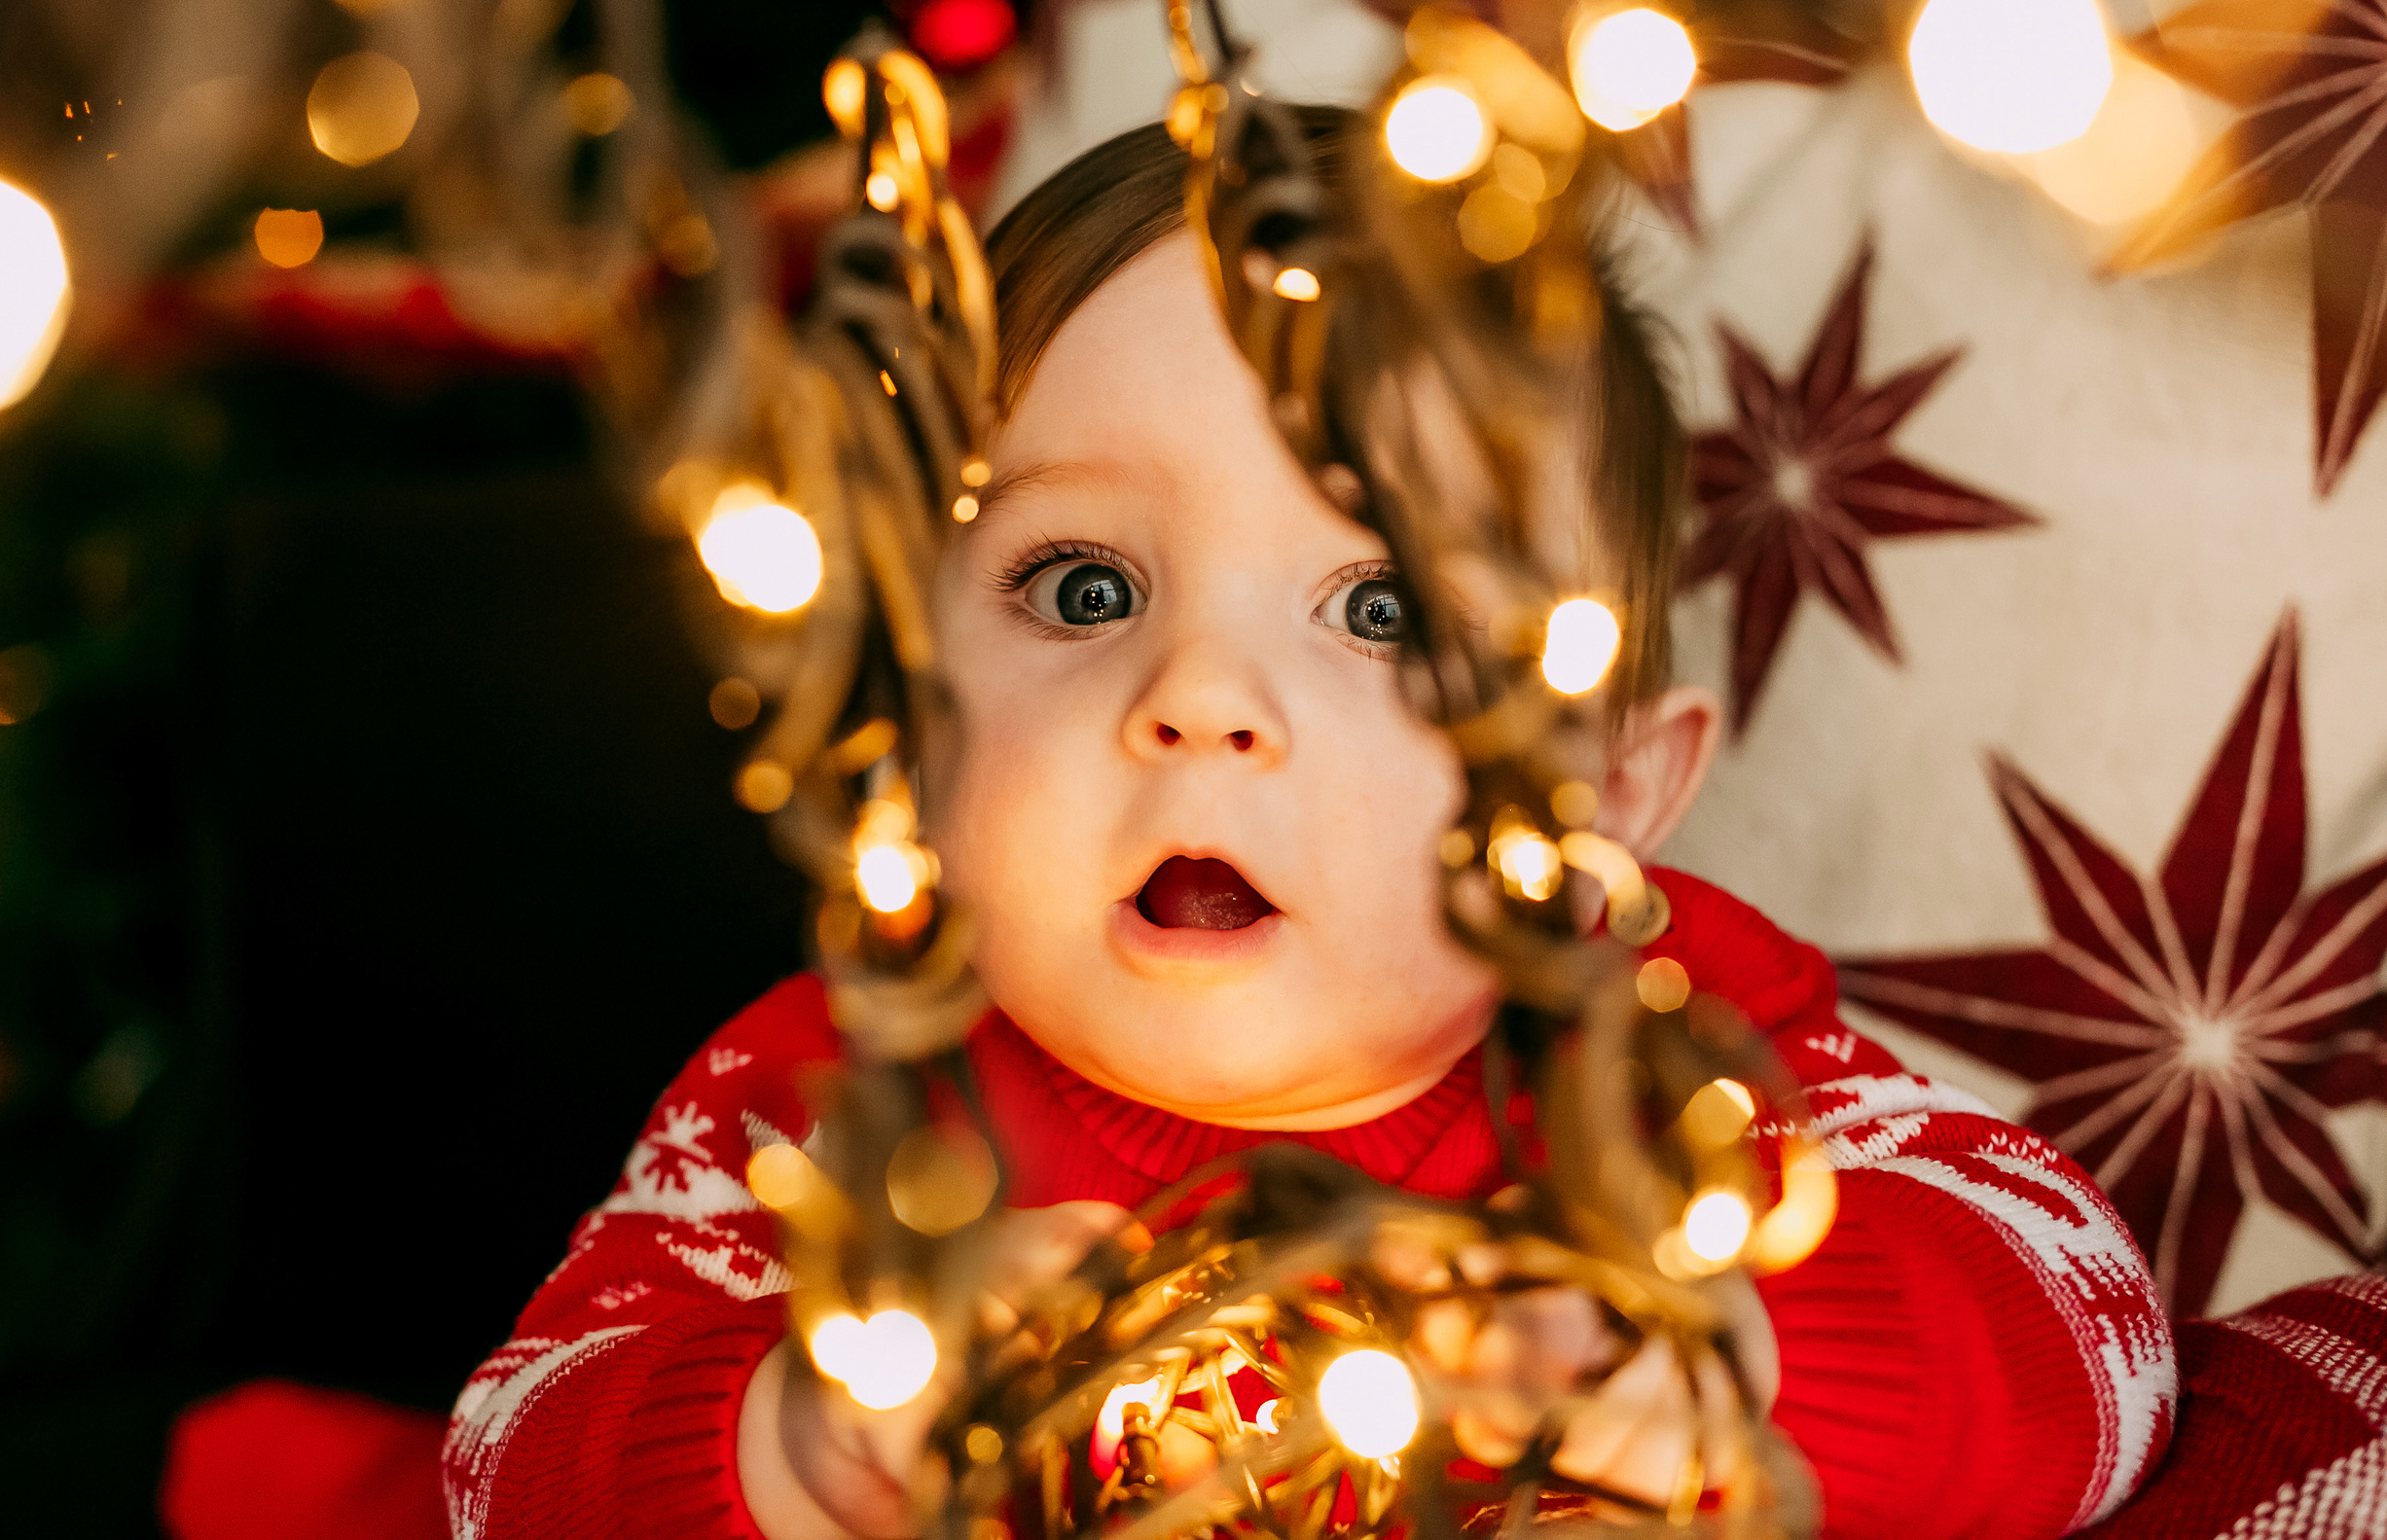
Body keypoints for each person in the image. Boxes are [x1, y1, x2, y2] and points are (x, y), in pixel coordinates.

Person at [441, 119, 2177, 1540]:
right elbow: (506, 1457)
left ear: (1615, 802)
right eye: (1085, 582)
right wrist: (796, 1438)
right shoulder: (839, 1100)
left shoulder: (1674, 1073)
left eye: (1385, 612)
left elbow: (2092, 1329)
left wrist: (1702, 1352)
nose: (1200, 694)